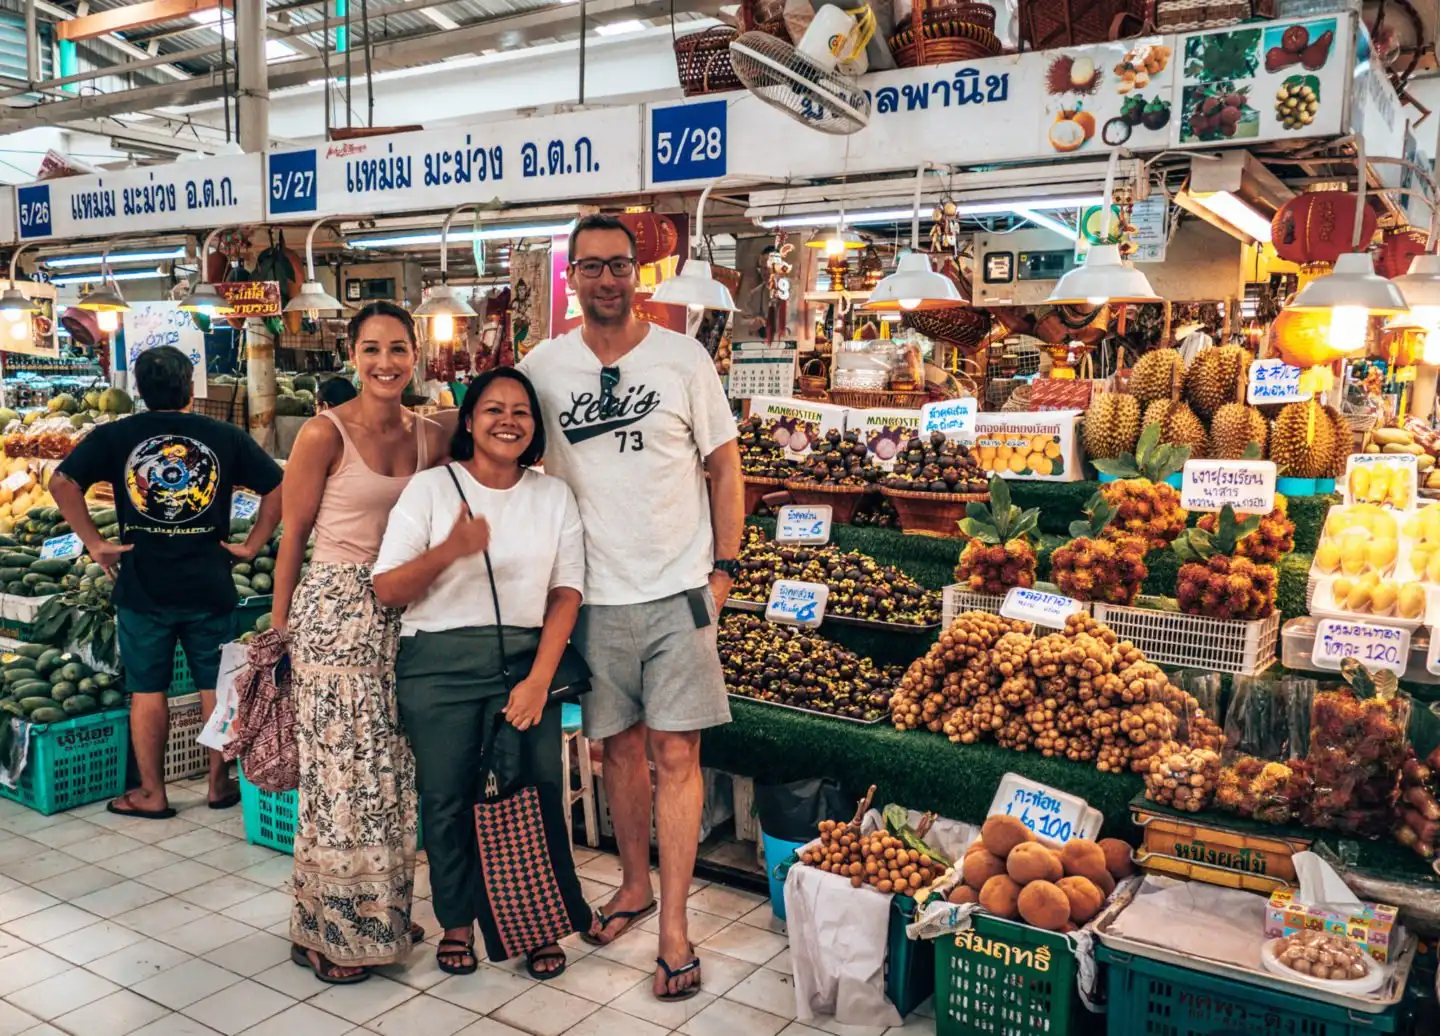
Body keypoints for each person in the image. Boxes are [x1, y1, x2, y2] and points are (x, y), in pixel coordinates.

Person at [518, 214, 744, 1002]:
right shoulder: (542, 367)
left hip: (679, 589)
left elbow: (724, 466)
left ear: (637, 276)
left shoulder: (684, 360)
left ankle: (675, 927)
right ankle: (634, 885)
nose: (607, 280)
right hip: (593, 596)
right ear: (571, 276)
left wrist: (724, 570)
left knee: (678, 756)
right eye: (592, 267)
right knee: (617, 752)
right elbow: (498, 444)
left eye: (620, 267)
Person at [373, 367, 596, 979]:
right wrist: (451, 548)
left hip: (525, 663)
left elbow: (567, 592)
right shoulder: (430, 489)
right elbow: (388, 588)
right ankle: (457, 922)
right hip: (436, 665)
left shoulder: (553, 497)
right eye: (493, 408)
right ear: (468, 420)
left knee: (532, 792)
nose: (508, 420)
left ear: (535, 426)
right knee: (446, 800)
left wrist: (538, 682)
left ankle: (536, 923)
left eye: (521, 411)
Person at [271, 300, 451, 984]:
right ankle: (327, 932)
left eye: (398, 348)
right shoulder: (323, 434)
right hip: (334, 618)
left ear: (415, 355)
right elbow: (294, 537)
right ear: (353, 356)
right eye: (371, 349)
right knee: (340, 780)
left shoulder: (431, 435)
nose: (385, 362)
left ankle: (379, 908)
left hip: (405, 614)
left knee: (392, 777)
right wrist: (282, 629)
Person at [52, 345, 283, 819]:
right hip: (210, 582)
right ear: (191, 387)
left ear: (137, 389)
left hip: (143, 584)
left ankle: (152, 794)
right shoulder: (223, 435)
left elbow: (61, 483)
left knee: (148, 689)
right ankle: (219, 784)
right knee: (216, 687)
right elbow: (278, 486)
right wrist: (253, 544)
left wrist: (95, 543)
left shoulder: (116, 434)